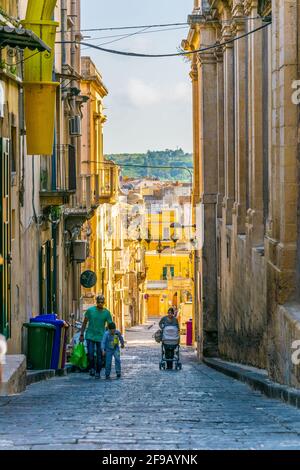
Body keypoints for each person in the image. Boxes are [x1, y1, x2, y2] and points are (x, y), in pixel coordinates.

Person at [80, 294, 112, 379]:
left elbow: (110, 325)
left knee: (99, 355)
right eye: (99, 302)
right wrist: (82, 334)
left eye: (102, 302)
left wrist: (111, 335)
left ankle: (98, 372)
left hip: (101, 337)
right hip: (90, 335)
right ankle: (92, 368)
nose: (100, 304)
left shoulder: (107, 313)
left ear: (104, 303)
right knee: (90, 354)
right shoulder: (90, 311)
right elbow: (84, 323)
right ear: (96, 302)